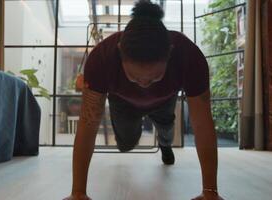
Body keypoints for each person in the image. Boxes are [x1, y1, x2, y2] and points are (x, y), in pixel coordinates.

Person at [64, 1, 224, 200]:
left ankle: (165, 146)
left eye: (154, 77)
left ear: (170, 54)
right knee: (127, 143)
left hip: (164, 100)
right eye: (135, 77)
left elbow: (203, 125)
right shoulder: (101, 59)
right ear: (120, 51)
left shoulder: (189, 56)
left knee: (167, 131)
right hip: (123, 103)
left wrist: (210, 192)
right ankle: (139, 131)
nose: (144, 84)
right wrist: (77, 193)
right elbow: (87, 126)